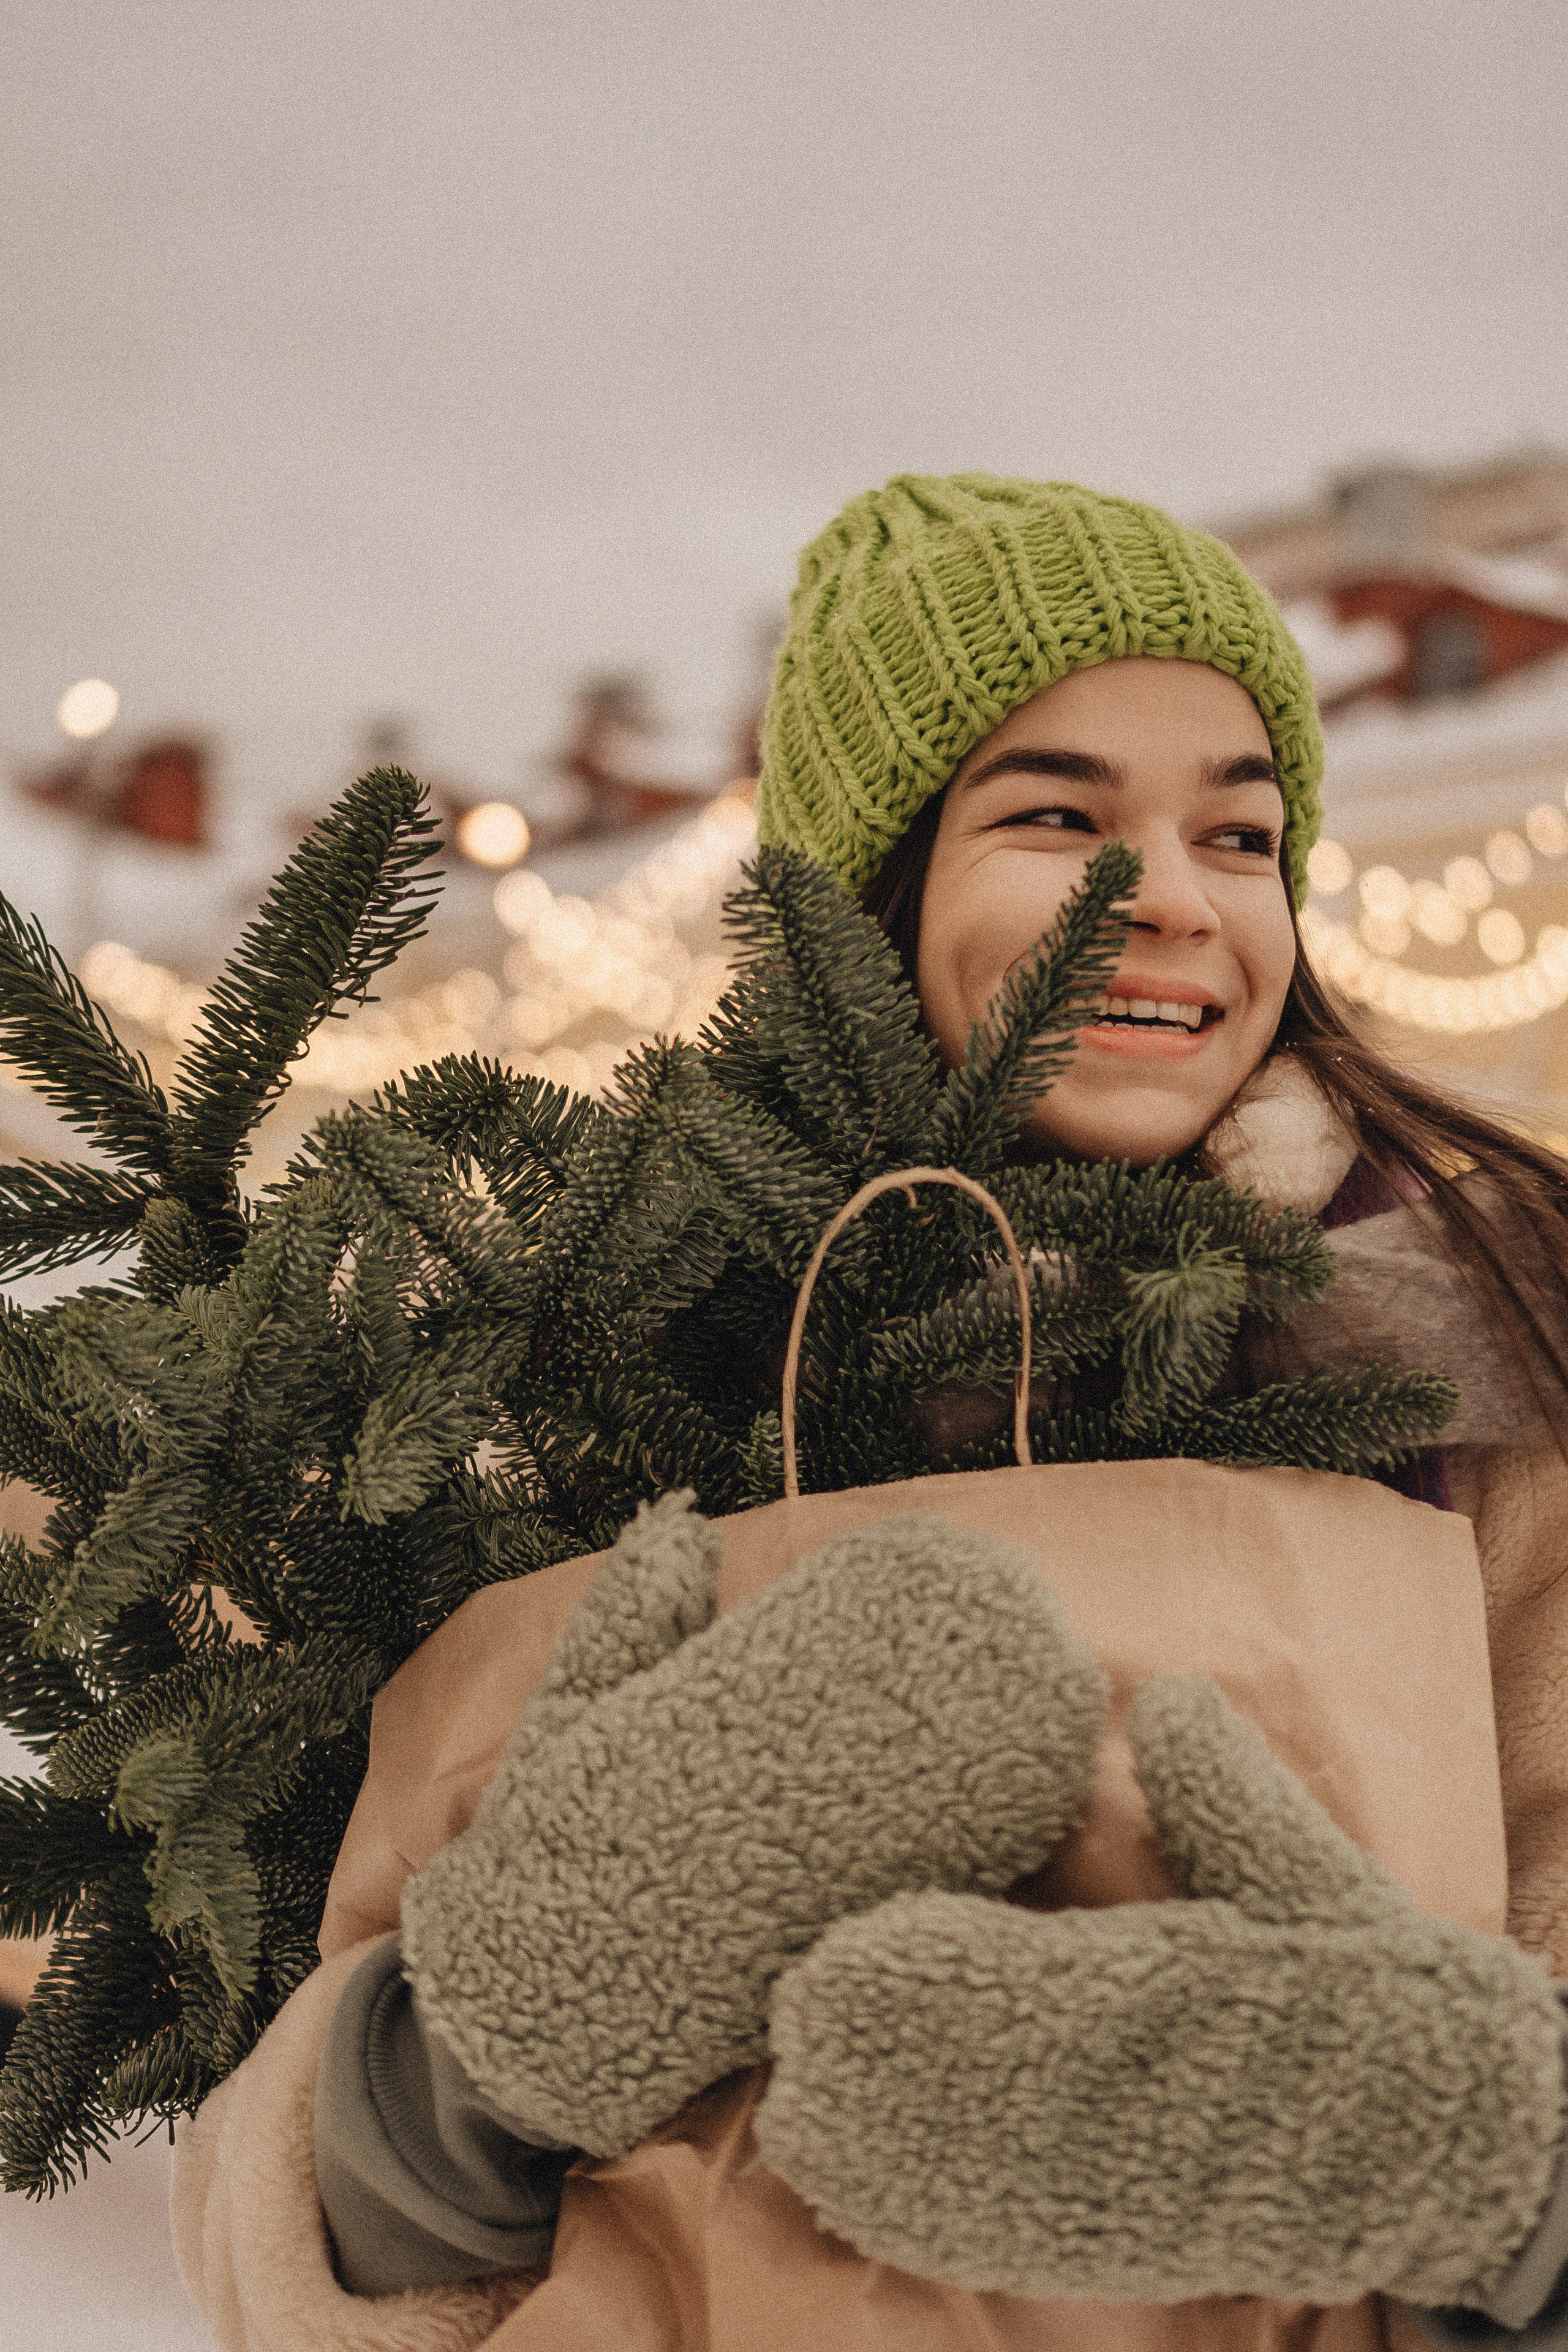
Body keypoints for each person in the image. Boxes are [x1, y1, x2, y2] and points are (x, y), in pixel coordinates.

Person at [172, 477, 1568, 2352]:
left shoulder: (1488, 1353)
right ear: (878, 884)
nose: (1166, 896)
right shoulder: (580, 1376)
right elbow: (265, 2200)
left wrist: (1497, 2178)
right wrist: (470, 2064)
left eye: (1241, 835)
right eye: (1059, 815)